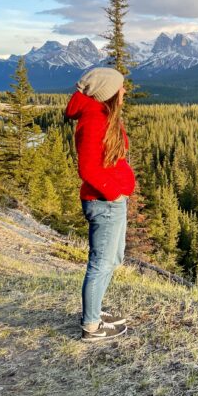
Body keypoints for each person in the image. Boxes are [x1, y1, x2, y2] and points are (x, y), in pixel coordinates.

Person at [64, 67, 136, 342]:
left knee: (112, 258)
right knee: (100, 264)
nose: (124, 91)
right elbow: (88, 169)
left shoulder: (102, 115)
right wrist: (113, 193)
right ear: (108, 93)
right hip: (104, 203)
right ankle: (91, 327)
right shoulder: (94, 120)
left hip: (111, 202)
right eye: (121, 87)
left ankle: (93, 311)